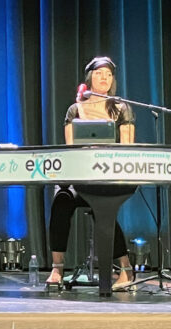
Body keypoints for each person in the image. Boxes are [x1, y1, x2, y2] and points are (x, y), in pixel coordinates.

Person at [45, 56, 136, 291]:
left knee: (103, 205)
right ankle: (57, 268)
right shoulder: (75, 109)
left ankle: (126, 270)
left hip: (108, 177)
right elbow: (71, 150)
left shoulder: (121, 108)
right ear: (89, 78)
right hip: (80, 178)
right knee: (61, 199)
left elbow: (127, 149)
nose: (104, 78)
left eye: (108, 74)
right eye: (99, 73)